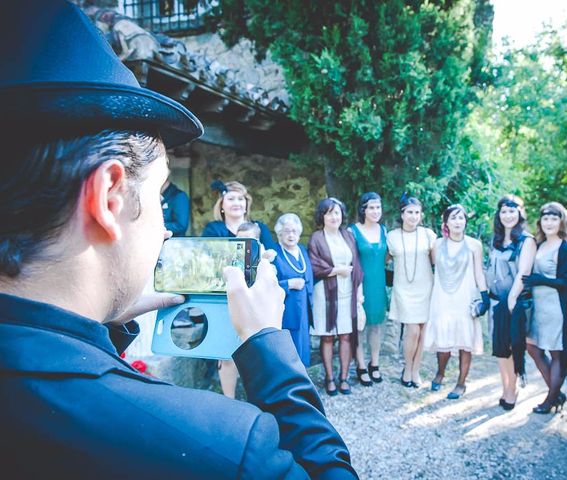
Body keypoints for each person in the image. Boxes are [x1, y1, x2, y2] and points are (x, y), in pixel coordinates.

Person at [0, 3, 357, 478]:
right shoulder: (227, 447)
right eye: (161, 198)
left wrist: (100, 318)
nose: (167, 227)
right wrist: (271, 351)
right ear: (109, 197)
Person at [202, 181, 276, 398]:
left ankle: (260, 396)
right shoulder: (213, 229)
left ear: (246, 204)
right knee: (227, 352)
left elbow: (272, 257)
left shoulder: (259, 228)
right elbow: (209, 261)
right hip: (225, 298)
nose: (236, 203)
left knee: (256, 348)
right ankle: (229, 400)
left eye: (240, 199)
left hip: (255, 298)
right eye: (231, 198)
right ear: (222, 204)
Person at [424, 204, 489, 399]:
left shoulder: (474, 245)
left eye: (461, 218)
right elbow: (432, 266)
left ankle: (461, 383)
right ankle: (440, 372)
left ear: (466, 221)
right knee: (443, 339)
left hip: (465, 297)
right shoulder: (436, 245)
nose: (458, 222)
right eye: (453, 218)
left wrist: (484, 297)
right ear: (446, 222)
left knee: (464, 341)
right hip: (442, 297)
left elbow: (479, 272)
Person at [522, 202, 567, 414]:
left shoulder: (565, 248)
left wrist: (542, 279)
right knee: (533, 347)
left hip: (556, 308)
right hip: (538, 307)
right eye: (546, 218)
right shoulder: (539, 244)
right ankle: (556, 393)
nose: (549, 222)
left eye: (554, 218)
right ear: (540, 222)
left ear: (561, 221)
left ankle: (550, 399)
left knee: (556, 354)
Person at [485, 195, 536, 410]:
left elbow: (523, 272)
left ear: (520, 213)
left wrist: (512, 299)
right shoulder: (494, 240)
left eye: (512, 211)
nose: (508, 215)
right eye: (504, 211)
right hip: (495, 302)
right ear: (499, 214)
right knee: (499, 348)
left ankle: (512, 389)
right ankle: (505, 385)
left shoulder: (527, 240)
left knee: (511, 347)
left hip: (514, 303)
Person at [308, 198, 364, 396]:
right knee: (328, 336)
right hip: (325, 293)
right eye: (329, 213)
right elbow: (314, 265)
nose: (334, 216)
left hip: (348, 291)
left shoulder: (348, 236)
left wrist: (359, 291)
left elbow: (357, 264)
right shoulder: (316, 238)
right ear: (322, 216)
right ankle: (329, 378)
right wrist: (335, 270)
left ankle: (344, 377)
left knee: (346, 335)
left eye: (337, 212)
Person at [387, 195, 436, 388]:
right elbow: (381, 261)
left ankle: (415, 370)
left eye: (417, 212)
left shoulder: (428, 235)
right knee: (412, 330)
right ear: (402, 214)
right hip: (403, 290)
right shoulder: (392, 236)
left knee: (423, 330)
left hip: (426, 288)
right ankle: (407, 367)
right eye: (410, 212)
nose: (413, 216)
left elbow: (437, 262)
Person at [349, 192, 388, 385]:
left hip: (378, 284)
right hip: (360, 285)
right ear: (363, 209)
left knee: (376, 327)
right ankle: (361, 366)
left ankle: (375, 363)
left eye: (378, 207)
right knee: (360, 327)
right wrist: (357, 288)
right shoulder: (353, 231)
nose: (375, 211)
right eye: (371, 207)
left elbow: (387, 256)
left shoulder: (384, 231)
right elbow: (351, 260)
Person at [273, 213, 314, 366]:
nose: (291, 235)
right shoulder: (274, 254)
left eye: (294, 231)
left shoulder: (303, 251)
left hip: (303, 311)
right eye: (287, 231)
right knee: (288, 353)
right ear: (279, 233)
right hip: (286, 312)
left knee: (302, 350)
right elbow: (266, 286)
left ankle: (303, 385)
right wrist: (288, 284)